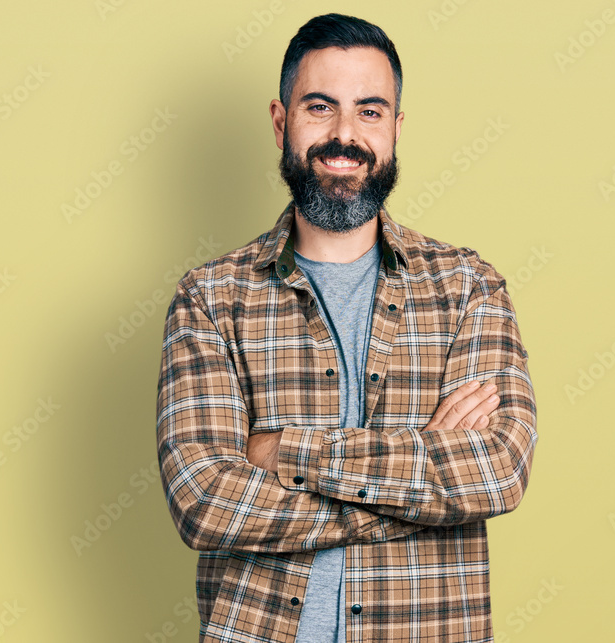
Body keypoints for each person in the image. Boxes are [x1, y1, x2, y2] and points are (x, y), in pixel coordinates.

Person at [156, 13, 538, 642]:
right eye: (319, 106)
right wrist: (421, 484)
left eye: (369, 111)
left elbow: (497, 468)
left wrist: (283, 452)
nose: (344, 134)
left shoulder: (470, 287)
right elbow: (204, 502)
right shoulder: (210, 299)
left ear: (394, 127)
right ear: (281, 122)